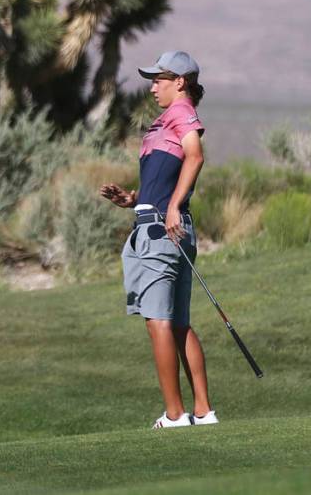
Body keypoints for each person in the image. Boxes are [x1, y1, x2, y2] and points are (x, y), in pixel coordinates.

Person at [99, 50, 218, 429]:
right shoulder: (166, 121)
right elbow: (165, 177)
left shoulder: (180, 112)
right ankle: (202, 411)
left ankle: (175, 415)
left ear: (180, 82)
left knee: (159, 321)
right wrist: (134, 199)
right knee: (178, 322)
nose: (153, 88)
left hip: (160, 232)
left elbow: (195, 157)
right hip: (166, 225)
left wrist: (172, 205)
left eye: (159, 80)